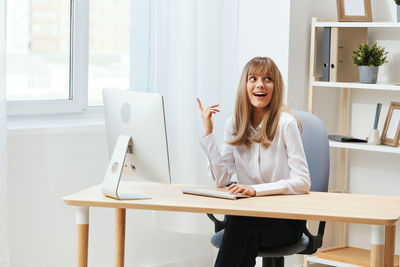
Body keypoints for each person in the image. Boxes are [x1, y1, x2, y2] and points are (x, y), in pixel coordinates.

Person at [196, 56, 311, 267]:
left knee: (238, 226)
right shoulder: (234, 124)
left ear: (276, 87)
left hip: (283, 221)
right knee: (239, 224)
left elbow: (303, 181)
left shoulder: (287, 124)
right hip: (247, 217)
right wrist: (208, 133)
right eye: (253, 78)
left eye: (268, 79)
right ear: (245, 85)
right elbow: (222, 179)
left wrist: (255, 190)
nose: (260, 84)